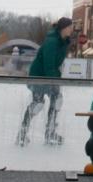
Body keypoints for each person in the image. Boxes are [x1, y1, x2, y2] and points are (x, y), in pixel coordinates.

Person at [17, 17, 73, 146]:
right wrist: (53, 81)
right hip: (39, 76)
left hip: (50, 76)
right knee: (38, 104)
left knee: (56, 100)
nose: (72, 29)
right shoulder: (52, 42)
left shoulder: (63, 41)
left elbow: (56, 64)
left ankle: (50, 132)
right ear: (63, 28)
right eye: (70, 27)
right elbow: (48, 64)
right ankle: (22, 134)